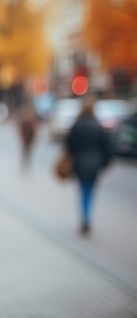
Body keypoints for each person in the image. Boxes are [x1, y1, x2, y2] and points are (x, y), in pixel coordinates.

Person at [65, 98, 113, 237]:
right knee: (91, 191)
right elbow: (108, 148)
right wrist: (103, 163)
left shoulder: (77, 125)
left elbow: (69, 145)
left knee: (83, 190)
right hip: (95, 165)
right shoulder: (98, 126)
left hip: (80, 164)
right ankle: (88, 217)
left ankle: (84, 217)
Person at [17, 103, 38, 170]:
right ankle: (23, 163)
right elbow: (21, 129)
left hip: (29, 139)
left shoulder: (32, 121)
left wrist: (34, 138)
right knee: (24, 151)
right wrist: (22, 136)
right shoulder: (25, 121)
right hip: (25, 138)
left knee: (28, 152)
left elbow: (34, 131)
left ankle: (27, 164)